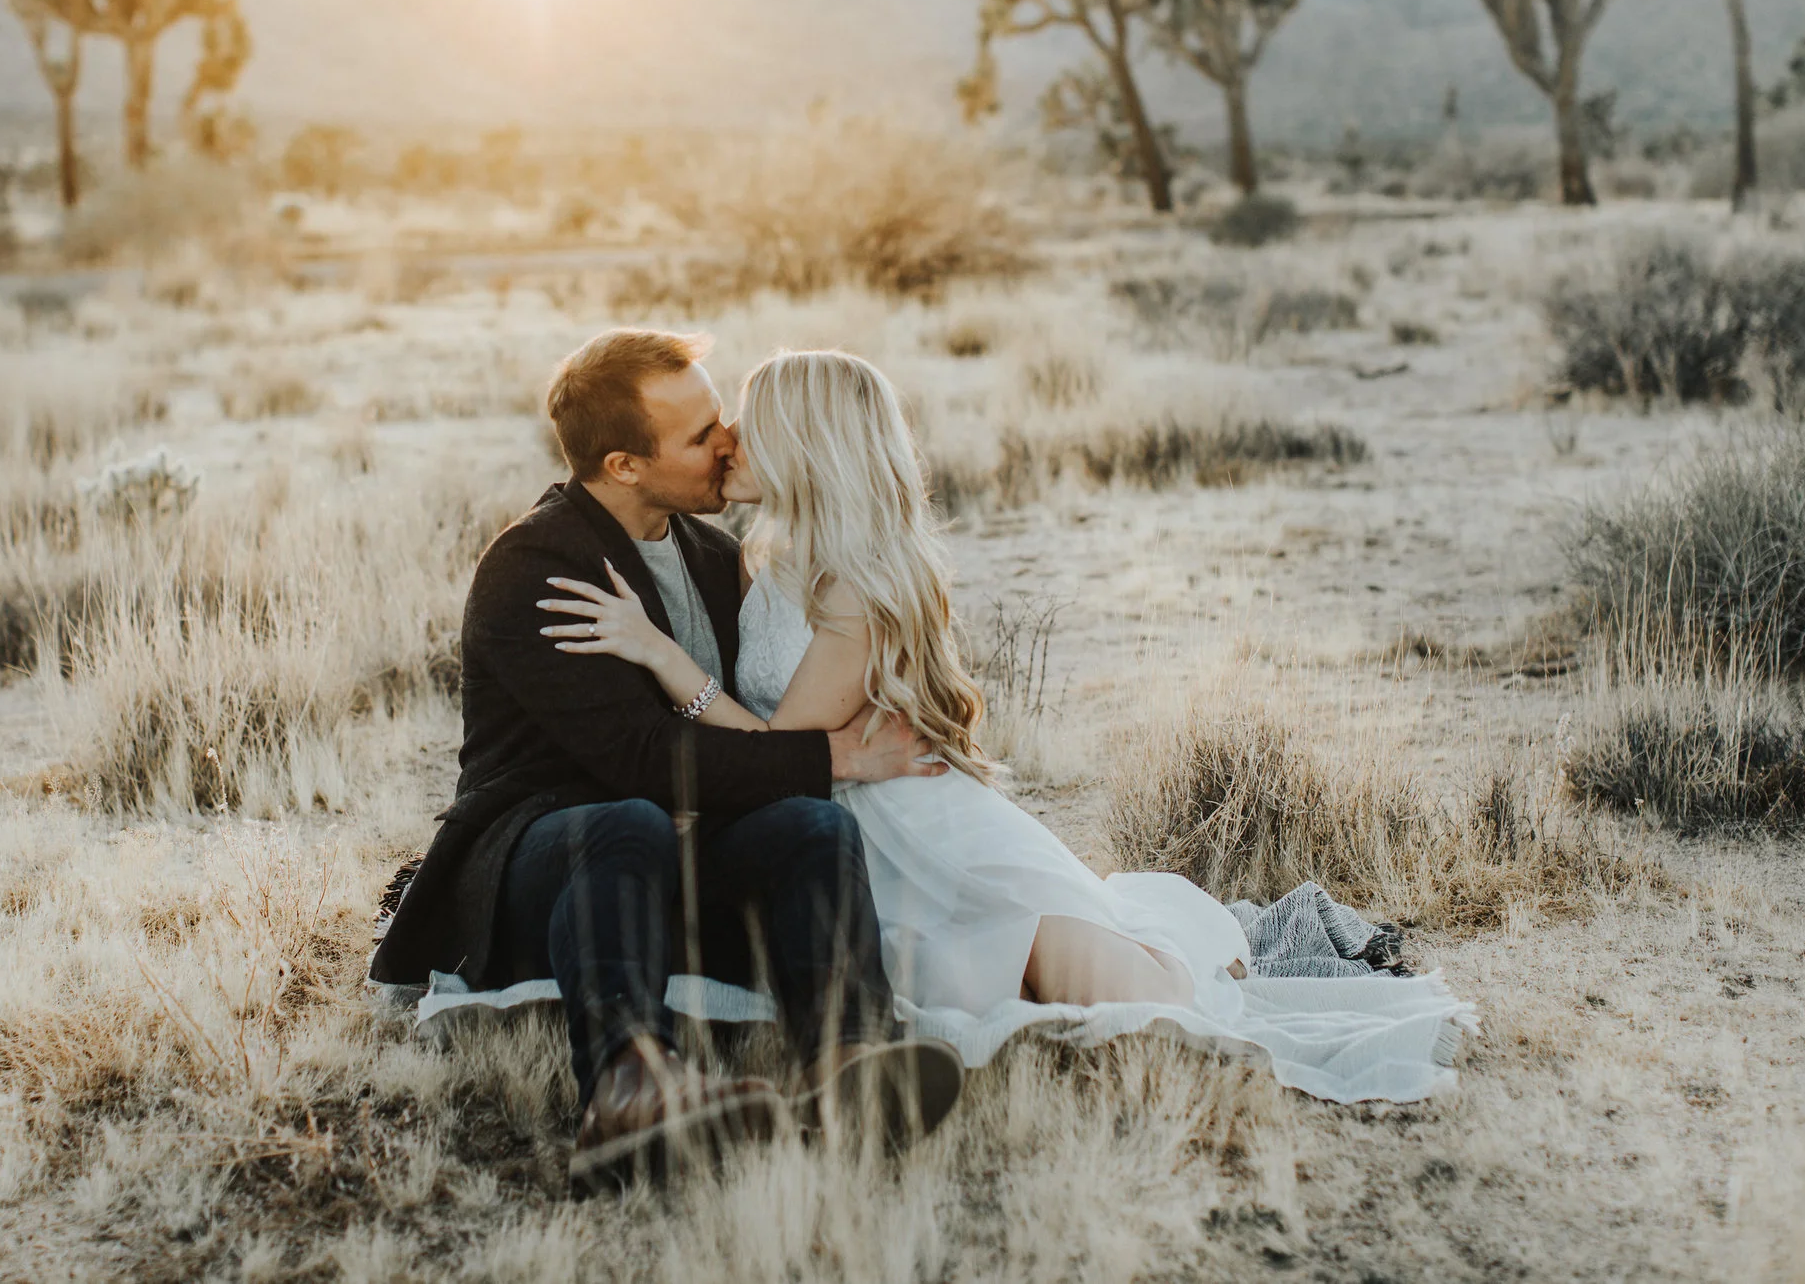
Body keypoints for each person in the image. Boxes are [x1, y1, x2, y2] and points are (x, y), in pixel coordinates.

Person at [537, 349, 1477, 1105]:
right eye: (715, 430)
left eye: (747, 427)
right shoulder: (767, 554)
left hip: (912, 819)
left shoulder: (853, 582)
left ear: (806, 447)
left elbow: (775, 749)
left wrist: (666, 662)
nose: (729, 443)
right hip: (850, 818)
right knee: (991, 976)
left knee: (1151, 1007)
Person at [369, 329, 964, 1185]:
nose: (728, 441)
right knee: (626, 822)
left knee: (807, 826)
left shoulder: (714, 553)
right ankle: (627, 1088)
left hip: (674, 844)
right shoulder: (538, 564)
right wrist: (830, 754)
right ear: (623, 465)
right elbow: (645, 759)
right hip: (545, 859)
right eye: (699, 436)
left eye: (721, 418)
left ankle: (850, 1063)